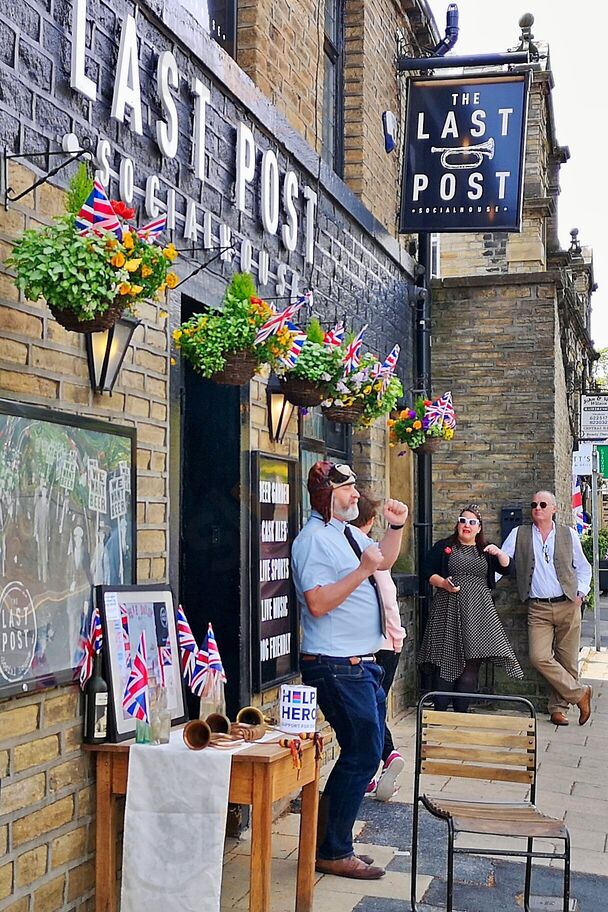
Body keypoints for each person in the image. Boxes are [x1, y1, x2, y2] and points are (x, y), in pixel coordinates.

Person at [292, 461, 408, 881]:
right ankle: (332, 850)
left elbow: (383, 561)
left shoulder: (345, 532)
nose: (356, 495)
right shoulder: (312, 541)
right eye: (347, 488)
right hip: (336, 665)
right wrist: (361, 571)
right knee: (361, 753)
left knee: (365, 752)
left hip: (361, 663)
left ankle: (328, 843)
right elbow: (317, 603)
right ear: (326, 494)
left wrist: (395, 528)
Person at [501, 490, 593, 726]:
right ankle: (580, 693)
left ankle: (559, 709)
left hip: (568, 603)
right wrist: (484, 579)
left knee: (567, 660)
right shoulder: (519, 533)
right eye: (534, 505)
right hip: (538, 608)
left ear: (554, 509)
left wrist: (581, 592)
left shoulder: (567, 534)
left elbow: (584, 567)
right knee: (539, 656)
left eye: (543, 504)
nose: (537, 508)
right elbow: (503, 563)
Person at [420, 503, 523, 712]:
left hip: (478, 612)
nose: (466, 525)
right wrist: (443, 584)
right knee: (446, 660)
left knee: (472, 662)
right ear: (458, 524)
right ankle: (440, 715)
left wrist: (499, 553)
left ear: (479, 527)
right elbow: (426, 570)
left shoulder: (486, 549)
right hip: (448, 608)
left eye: (472, 522)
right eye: (463, 521)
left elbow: (509, 568)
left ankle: (461, 714)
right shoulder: (444, 547)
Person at [350, 491, 407, 802]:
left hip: (370, 645)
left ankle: (378, 763)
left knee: (369, 710)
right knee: (373, 707)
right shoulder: (374, 553)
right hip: (389, 643)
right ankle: (385, 758)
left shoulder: (358, 552)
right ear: (372, 520)